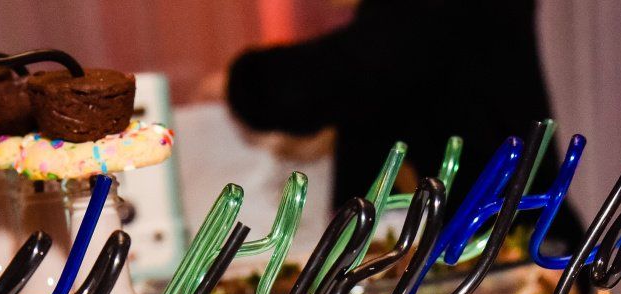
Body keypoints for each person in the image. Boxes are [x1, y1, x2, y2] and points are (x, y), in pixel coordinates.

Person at [219, 0, 560, 214]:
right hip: (503, 236)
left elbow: (299, 89)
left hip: (503, 250)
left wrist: (234, 81)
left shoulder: (422, 15)